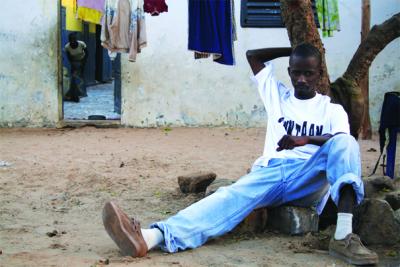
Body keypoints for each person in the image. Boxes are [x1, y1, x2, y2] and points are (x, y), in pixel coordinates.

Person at [102, 43, 379, 265]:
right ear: (290, 71)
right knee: (229, 196)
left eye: (309, 73)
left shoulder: (332, 110)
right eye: (296, 72)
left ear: (320, 74)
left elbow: (341, 142)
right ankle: (150, 237)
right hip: (270, 173)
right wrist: (294, 49)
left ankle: (344, 235)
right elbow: (253, 55)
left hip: (308, 177)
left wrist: (304, 139)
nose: (302, 79)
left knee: (346, 144)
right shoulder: (278, 96)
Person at [64, 32, 88, 102]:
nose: (72, 41)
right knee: (74, 77)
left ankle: (83, 93)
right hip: (74, 62)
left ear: (76, 40)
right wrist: (73, 65)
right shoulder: (67, 47)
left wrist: (83, 63)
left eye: (73, 40)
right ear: (69, 40)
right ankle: (75, 94)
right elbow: (69, 58)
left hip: (82, 60)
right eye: (70, 40)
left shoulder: (81, 44)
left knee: (81, 77)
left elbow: (87, 53)